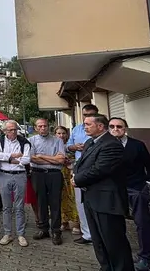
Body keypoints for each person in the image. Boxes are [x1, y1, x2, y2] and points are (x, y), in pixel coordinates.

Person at [73, 114, 134, 271]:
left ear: (100, 126)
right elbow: (80, 163)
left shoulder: (111, 145)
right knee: (98, 241)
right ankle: (106, 267)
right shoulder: (89, 142)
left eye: (88, 124)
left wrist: (78, 179)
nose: (84, 127)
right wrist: (76, 174)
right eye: (84, 124)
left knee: (113, 241)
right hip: (91, 198)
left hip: (107, 201)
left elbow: (100, 169)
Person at [108, 117, 150, 271]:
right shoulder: (105, 146)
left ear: (126, 128)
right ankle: (119, 258)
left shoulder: (137, 145)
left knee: (142, 223)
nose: (115, 129)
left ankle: (145, 257)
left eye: (119, 126)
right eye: (112, 126)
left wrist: (147, 183)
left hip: (136, 189)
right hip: (114, 190)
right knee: (113, 224)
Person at [28, 118, 66, 245]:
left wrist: (42, 156)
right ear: (35, 128)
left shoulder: (58, 140)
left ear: (48, 126)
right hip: (38, 175)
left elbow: (61, 160)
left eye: (45, 125)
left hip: (54, 175)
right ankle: (43, 229)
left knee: (55, 203)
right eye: (40, 126)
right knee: (41, 202)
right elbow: (32, 159)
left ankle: (56, 231)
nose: (43, 128)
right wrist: (52, 159)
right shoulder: (31, 141)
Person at [0, 120, 31, 247]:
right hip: (4, 175)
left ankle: (21, 234)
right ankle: (7, 233)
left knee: (20, 207)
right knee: (6, 206)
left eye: (14, 129)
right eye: (9, 130)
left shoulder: (24, 142)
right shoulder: (0, 141)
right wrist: (13, 157)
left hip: (20, 175)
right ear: (5, 131)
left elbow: (26, 159)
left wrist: (10, 159)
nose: (13, 132)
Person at [67, 103, 99, 244]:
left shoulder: (101, 128)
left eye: (91, 114)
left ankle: (99, 234)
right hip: (80, 169)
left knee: (97, 202)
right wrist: (74, 147)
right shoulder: (77, 129)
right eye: (85, 115)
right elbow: (68, 145)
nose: (87, 117)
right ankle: (87, 234)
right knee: (81, 203)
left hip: (96, 170)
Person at [55, 126, 78, 234]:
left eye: (63, 133)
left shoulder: (71, 146)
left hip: (70, 174)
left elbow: (77, 158)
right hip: (58, 173)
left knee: (73, 198)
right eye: (59, 133)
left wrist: (70, 162)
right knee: (60, 199)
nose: (61, 135)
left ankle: (76, 223)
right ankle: (64, 222)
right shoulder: (53, 145)